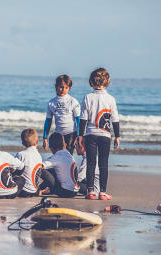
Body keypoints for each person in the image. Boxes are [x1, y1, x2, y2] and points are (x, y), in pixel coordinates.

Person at [78, 68, 120, 200]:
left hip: (90, 134)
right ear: (107, 82)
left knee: (91, 163)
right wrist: (117, 136)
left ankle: (90, 191)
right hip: (105, 136)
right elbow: (115, 119)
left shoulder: (88, 97)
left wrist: (80, 135)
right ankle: (102, 192)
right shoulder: (111, 99)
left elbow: (83, 118)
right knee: (103, 164)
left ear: (91, 82)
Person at [43, 74, 81, 154]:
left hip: (71, 133)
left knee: (68, 155)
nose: (63, 89)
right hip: (58, 134)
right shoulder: (51, 102)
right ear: (56, 86)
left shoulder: (72, 101)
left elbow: (78, 120)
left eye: (66, 88)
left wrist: (78, 135)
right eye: (61, 87)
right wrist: (45, 137)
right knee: (57, 154)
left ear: (69, 88)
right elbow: (48, 121)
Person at [39, 132, 79, 198]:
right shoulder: (68, 154)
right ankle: (42, 189)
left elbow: (40, 166)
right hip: (74, 191)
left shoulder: (57, 157)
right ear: (64, 145)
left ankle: (39, 189)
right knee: (53, 170)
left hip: (64, 192)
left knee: (41, 170)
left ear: (51, 148)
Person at [15, 128, 43, 197]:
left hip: (23, 190)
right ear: (37, 142)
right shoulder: (39, 156)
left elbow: (14, 169)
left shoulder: (21, 154)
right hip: (34, 190)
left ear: (22, 143)